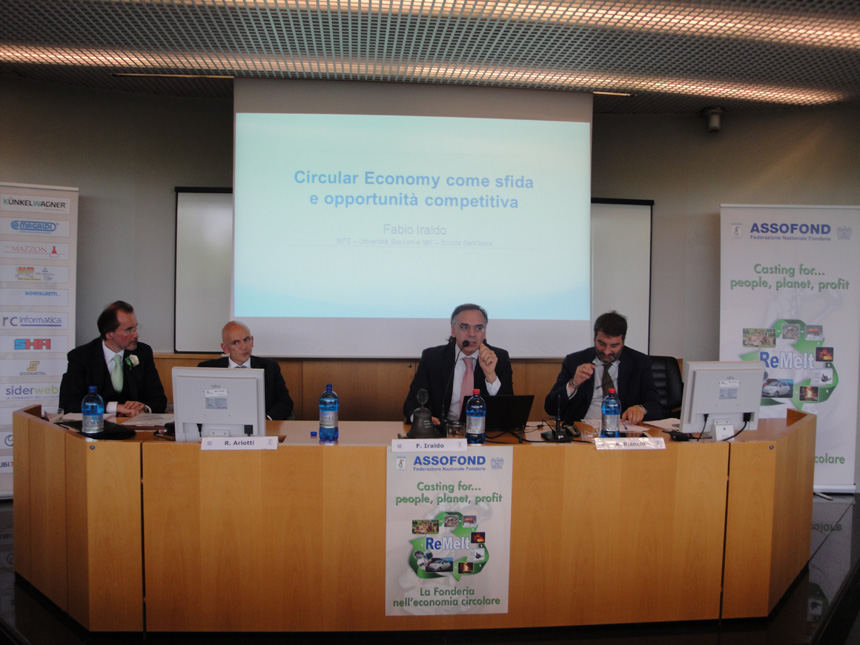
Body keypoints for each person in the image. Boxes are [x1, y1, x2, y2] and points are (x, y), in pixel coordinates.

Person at [403, 304, 513, 425]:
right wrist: (421, 418)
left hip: (483, 431)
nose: (472, 334)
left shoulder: (499, 358)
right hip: (441, 431)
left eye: (478, 328)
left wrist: (490, 375)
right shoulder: (432, 358)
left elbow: (509, 410)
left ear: (484, 332)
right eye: (464, 327)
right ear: (453, 330)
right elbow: (412, 404)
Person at [544, 311, 661, 425]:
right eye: (602, 344)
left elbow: (655, 406)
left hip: (622, 430)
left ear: (623, 342)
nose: (607, 351)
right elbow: (550, 407)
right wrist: (573, 384)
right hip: (583, 430)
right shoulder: (574, 361)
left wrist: (640, 409)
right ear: (594, 339)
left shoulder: (639, 362)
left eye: (614, 346)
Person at [59, 300, 167, 416]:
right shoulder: (81, 357)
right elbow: (69, 404)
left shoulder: (143, 353)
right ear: (109, 334)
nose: (136, 335)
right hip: (97, 425)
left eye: (136, 328)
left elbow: (159, 399)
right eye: (129, 330)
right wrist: (115, 407)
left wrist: (144, 408)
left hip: (135, 424)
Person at [198, 321, 294, 420]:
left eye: (246, 340)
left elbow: (285, 402)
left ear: (252, 341)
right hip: (221, 423)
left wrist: (266, 420)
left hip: (262, 425)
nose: (244, 347)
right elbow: (198, 403)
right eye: (236, 343)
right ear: (225, 348)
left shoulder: (270, 367)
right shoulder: (208, 369)